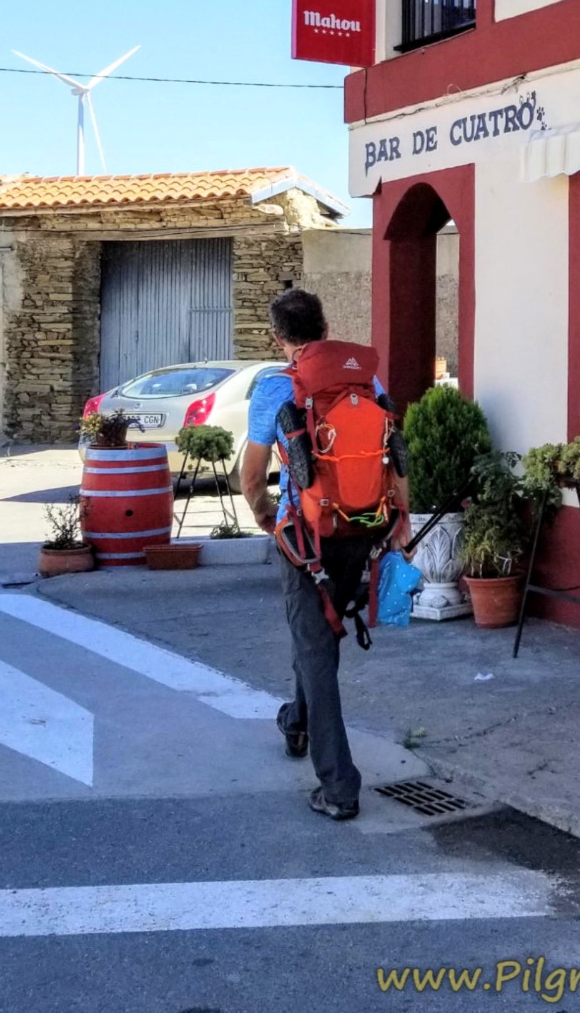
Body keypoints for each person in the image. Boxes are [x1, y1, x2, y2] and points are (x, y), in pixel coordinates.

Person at [241, 287, 397, 823]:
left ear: (279, 338)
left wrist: (265, 517)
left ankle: (339, 787)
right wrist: (399, 523)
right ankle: (297, 722)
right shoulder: (366, 381)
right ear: (325, 329)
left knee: (314, 645)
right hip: (361, 524)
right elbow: (392, 454)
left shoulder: (274, 386)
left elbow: (252, 475)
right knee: (318, 635)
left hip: (304, 534)